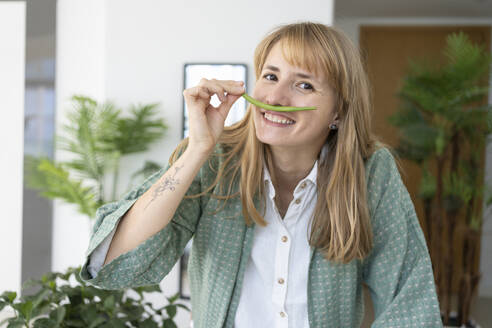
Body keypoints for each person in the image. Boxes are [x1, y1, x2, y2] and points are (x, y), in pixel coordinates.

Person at [80, 21, 443, 327]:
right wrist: (197, 150)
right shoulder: (214, 160)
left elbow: (409, 302)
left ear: (338, 112)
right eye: (271, 76)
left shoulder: (370, 173)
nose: (276, 97)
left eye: (304, 85)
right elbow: (115, 264)